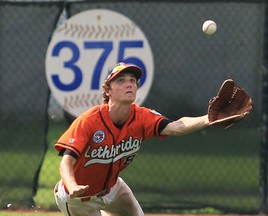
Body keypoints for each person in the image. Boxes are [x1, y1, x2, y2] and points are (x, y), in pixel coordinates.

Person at [54, 62, 210, 216]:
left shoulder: (141, 117)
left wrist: (209, 118)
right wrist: (72, 185)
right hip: (79, 198)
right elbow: (66, 161)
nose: (128, 84)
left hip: (113, 189)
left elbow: (177, 127)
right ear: (108, 90)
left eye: (132, 80)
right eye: (121, 80)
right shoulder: (89, 120)